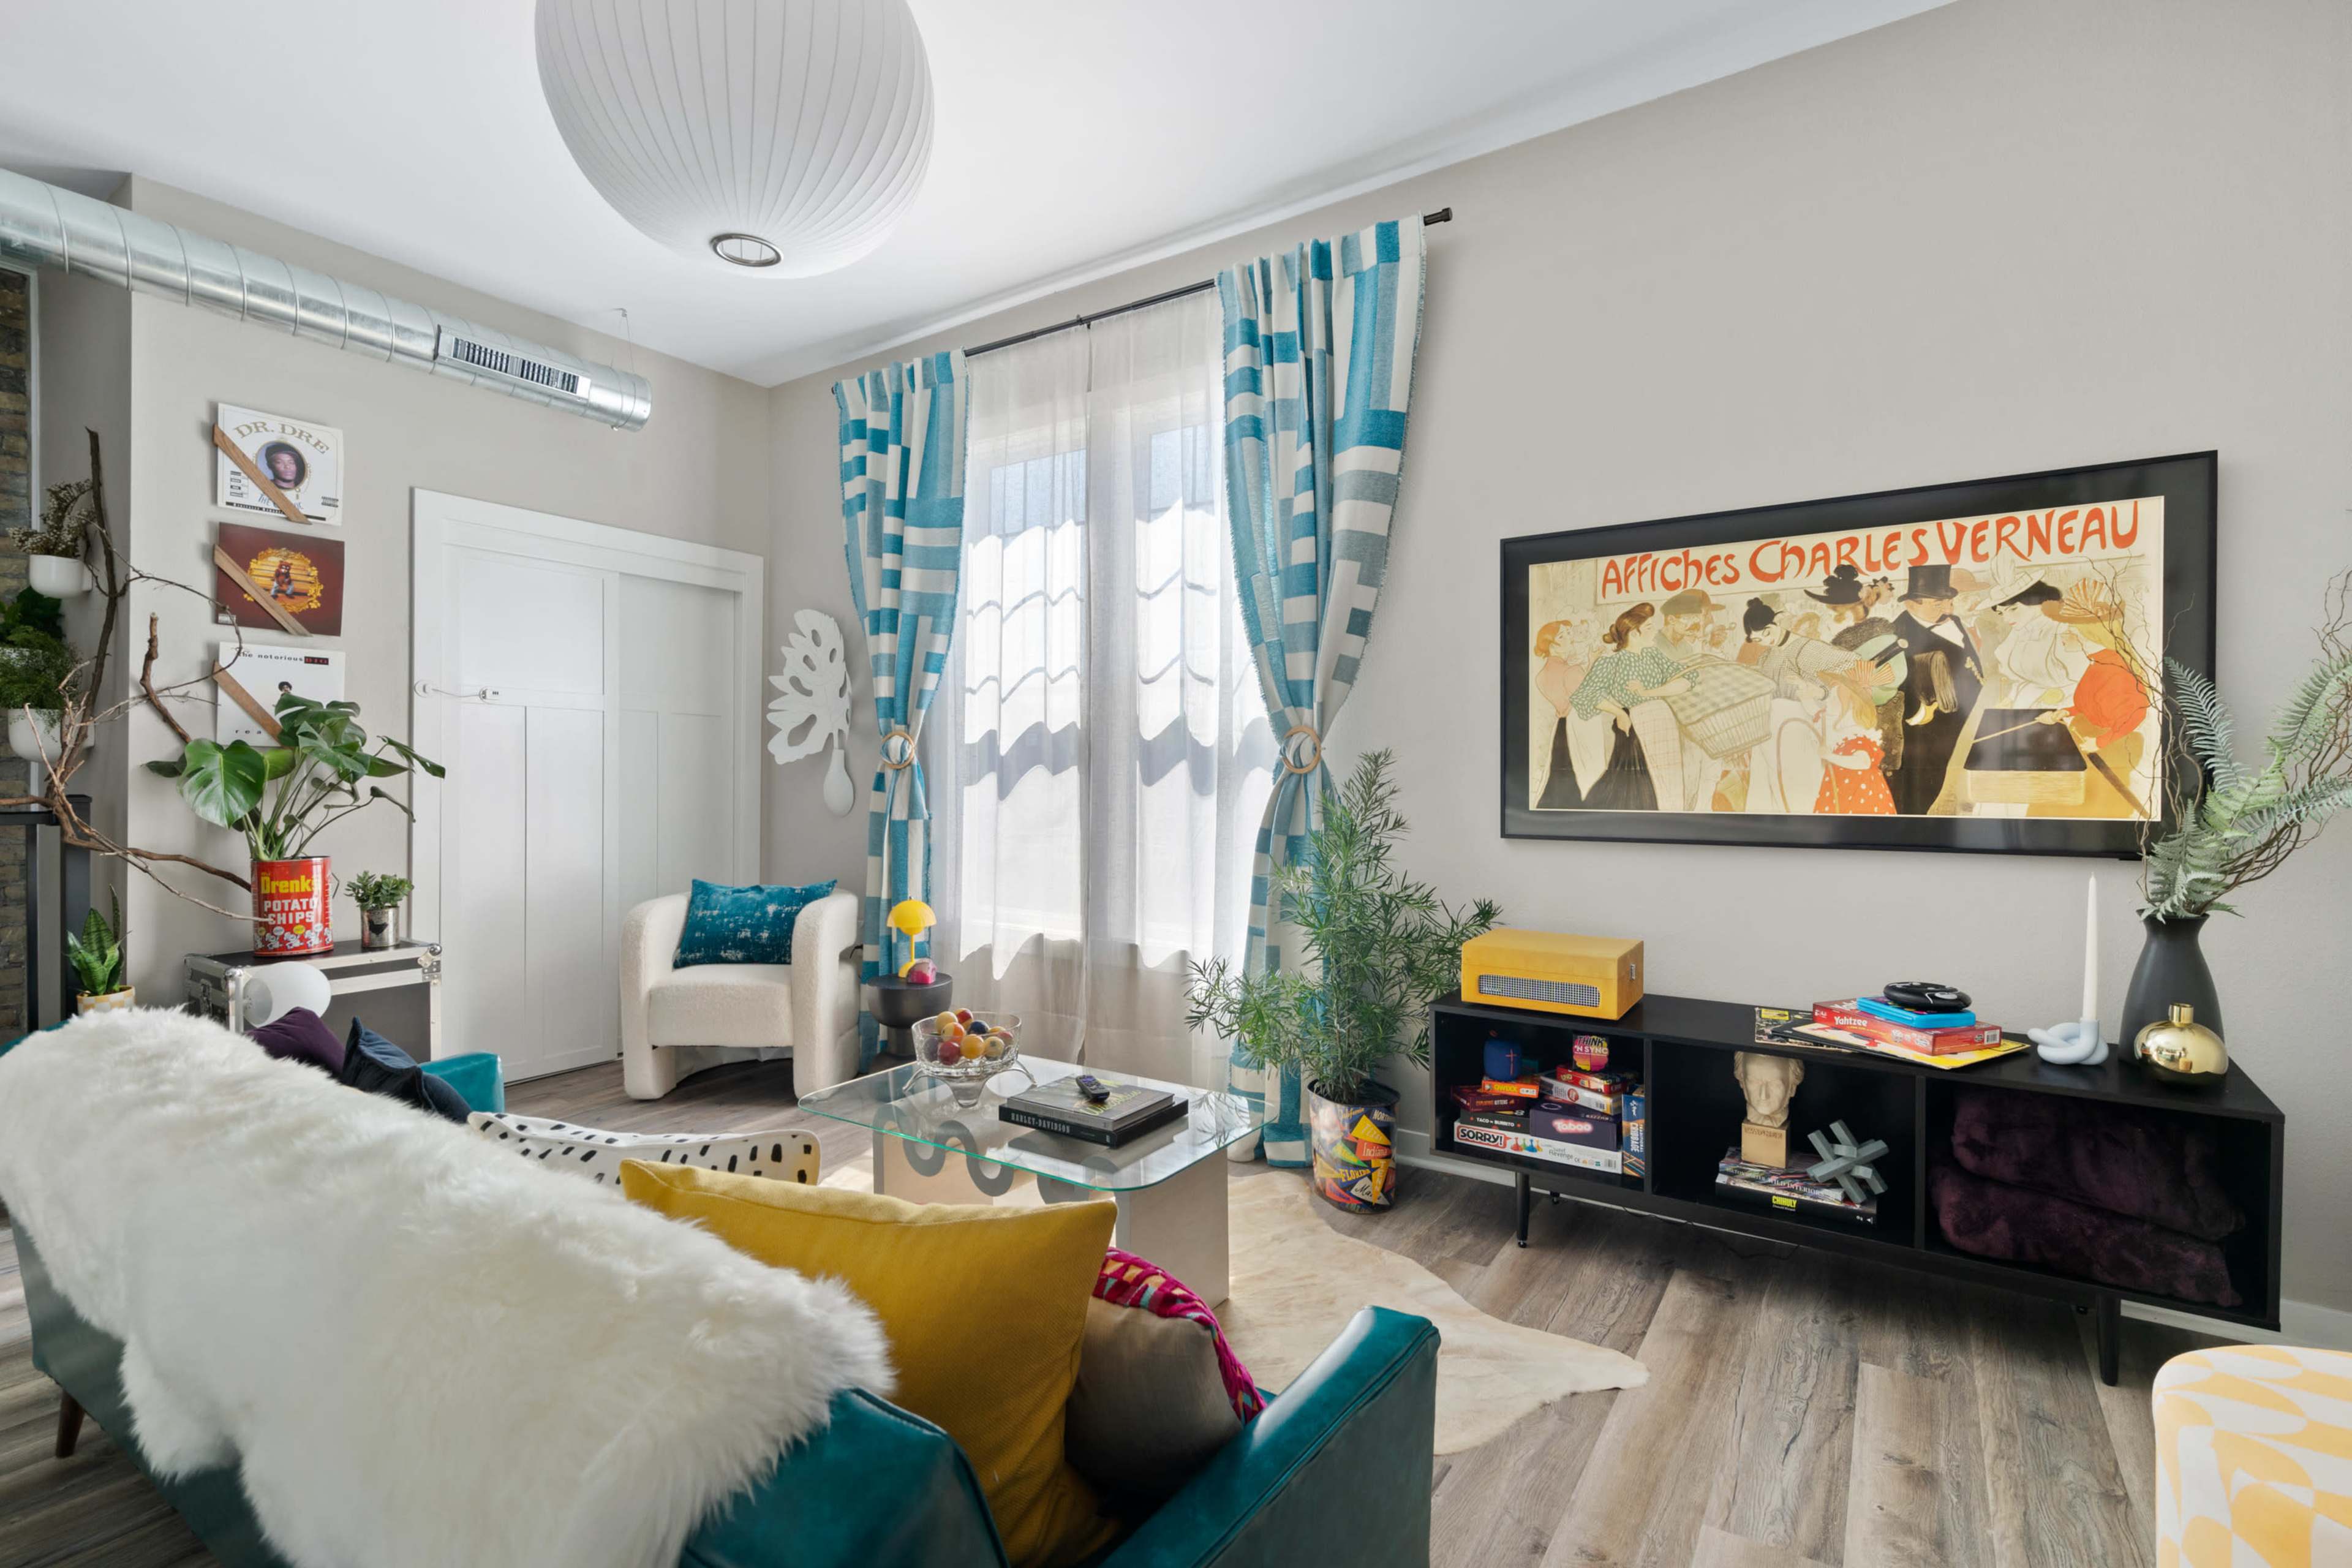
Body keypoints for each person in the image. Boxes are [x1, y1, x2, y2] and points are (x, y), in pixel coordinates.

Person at [1569, 603, 1687, 811]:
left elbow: (1686, 679)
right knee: (1637, 787)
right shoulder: (1611, 662)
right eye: (1650, 627)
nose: (1655, 630)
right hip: (1636, 726)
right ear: (1634, 632)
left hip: (1664, 724)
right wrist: (1618, 713)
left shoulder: (1654, 655)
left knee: (1670, 780)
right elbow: (1584, 695)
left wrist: (1650, 692)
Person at [1887, 564, 1984, 815]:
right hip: (1923, 731)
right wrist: (1916, 712)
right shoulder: (1895, 633)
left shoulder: (1955, 622)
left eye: (1947, 602)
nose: (1947, 609)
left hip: (1962, 717)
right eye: (1937, 604)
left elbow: (1969, 661)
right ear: (1911, 605)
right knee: (1921, 788)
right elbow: (1889, 683)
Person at [1812, 564, 1904, 781]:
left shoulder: (1881, 634)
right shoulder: (1837, 639)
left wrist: (1867, 689)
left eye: (1836, 607)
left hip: (1875, 709)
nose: (1833, 612)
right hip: (1845, 710)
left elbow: (1896, 673)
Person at [1989, 579, 2088, 706]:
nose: (2006, 619)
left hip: (2071, 704)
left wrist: (2061, 694)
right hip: (2032, 704)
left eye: (2013, 609)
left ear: (2038, 603)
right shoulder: (2018, 634)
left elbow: (2088, 678)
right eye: (2001, 613)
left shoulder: (2065, 630)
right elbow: (2023, 678)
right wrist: (2012, 698)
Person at [1531, 619, 1595, 809]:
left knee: (1559, 778)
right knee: (1581, 779)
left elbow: (1570, 698)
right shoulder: (1572, 671)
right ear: (1552, 644)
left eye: (1568, 633)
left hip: (1561, 730)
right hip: (1576, 729)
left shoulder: (1540, 675)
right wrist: (1592, 664)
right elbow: (1586, 697)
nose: (1570, 637)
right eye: (1562, 635)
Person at [1813, 679, 1898, 816]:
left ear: (1847, 707)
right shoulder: (1844, 734)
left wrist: (1830, 756)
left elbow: (1863, 762)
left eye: (1833, 699)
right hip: (1844, 789)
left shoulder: (1857, 735)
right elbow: (1817, 713)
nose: (1828, 702)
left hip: (1860, 793)